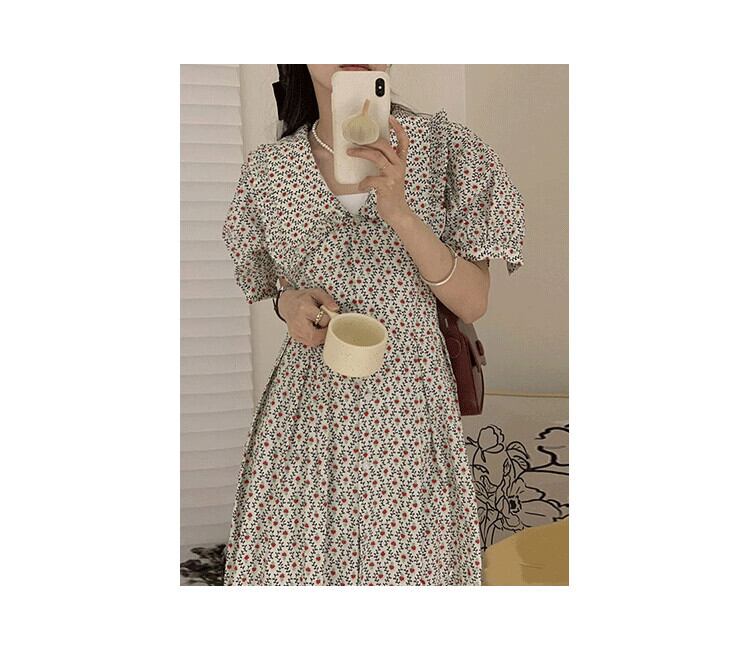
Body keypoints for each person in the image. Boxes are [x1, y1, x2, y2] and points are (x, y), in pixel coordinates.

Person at [221, 64, 526, 586]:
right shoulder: (268, 171)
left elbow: (473, 302)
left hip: (408, 412)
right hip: (308, 412)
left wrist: (401, 213)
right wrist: (288, 305)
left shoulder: (448, 150)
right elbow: (275, 285)